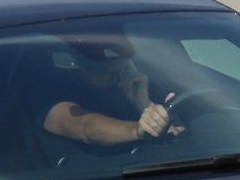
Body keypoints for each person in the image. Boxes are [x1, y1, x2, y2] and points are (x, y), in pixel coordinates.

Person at [43, 39, 181, 147]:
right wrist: (138, 130)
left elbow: (183, 140)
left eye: (121, 56)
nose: (116, 65)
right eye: (106, 54)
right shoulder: (55, 93)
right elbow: (85, 127)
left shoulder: (145, 89)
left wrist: (144, 104)